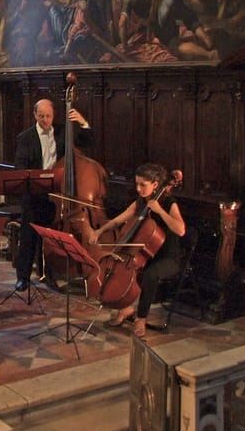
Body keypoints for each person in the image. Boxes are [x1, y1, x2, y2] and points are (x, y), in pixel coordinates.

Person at [88, 163, 186, 339]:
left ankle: (140, 318)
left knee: (148, 274)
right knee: (128, 272)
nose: (138, 189)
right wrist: (99, 231)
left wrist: (160, 211)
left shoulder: (169, 203)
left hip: (168, 258)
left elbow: (181, 230)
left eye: (143, 185)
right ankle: (125, 308)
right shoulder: (140, 203)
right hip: (145, 256)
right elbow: (118, 221)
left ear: (155, 184)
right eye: (137, 184)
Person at [13, 99, 91, 291]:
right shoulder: (25, 138)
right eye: (41, 116)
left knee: (51, 238)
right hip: (34, 195)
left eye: (48, 116)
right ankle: (23, 277)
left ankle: (50, 274)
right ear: (34, 115)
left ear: (53, 115)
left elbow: (89, 142)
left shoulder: (63, 131)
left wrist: (83, 123)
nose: (45, 120)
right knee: (29, 237)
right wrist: (35, 178)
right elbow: (20, 166)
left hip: (58, 194)